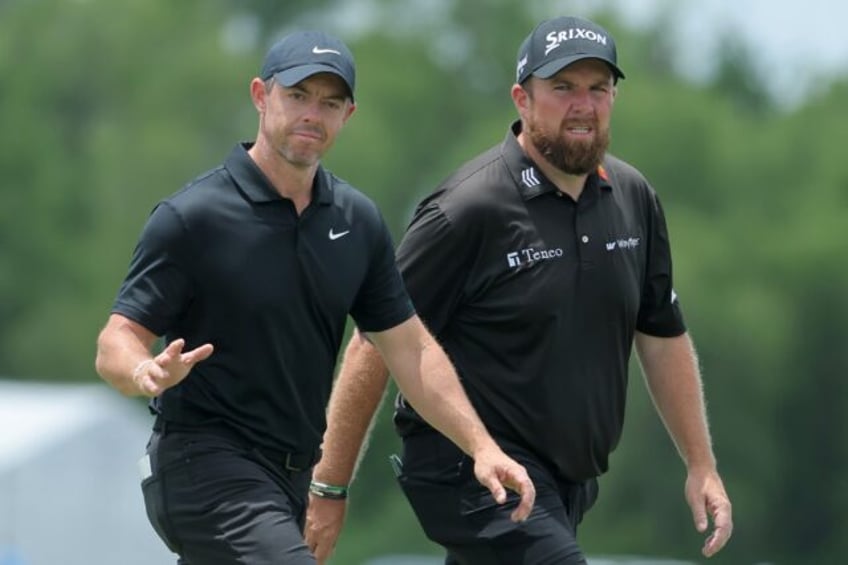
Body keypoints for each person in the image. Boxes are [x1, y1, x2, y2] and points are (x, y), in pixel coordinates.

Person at [94, 29, 535, 565]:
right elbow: (116, 339)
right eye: (298, 96)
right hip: (200, 465)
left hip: (289, 479)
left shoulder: (358, 221)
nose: (313, 114)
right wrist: (143, 372)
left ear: (347, 115)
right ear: (261, 96)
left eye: (329, 103)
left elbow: (411, 350)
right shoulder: (193, 218)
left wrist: (482, 448)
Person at [305, 15, 733, 565]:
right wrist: (329, 489)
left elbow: (662, 334)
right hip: (468, 471)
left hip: (567, 483)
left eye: (597, 89)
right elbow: (374, 344)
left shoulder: (633, 197)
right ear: (522, 100)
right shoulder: (467, 210)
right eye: (562, 88)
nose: (583, 105)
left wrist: (701, 463)